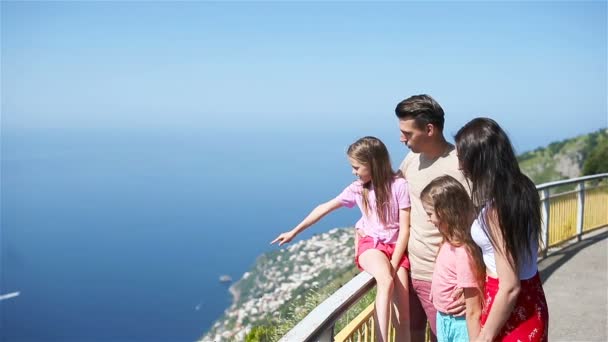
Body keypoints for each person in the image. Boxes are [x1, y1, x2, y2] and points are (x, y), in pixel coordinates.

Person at [271, 136, 411, 342]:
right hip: (372, 246)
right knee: (386, 279)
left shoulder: (399, 186)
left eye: (356, 167)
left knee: (405, 315)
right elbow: (324, 207)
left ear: (372, 164)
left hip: (396, 247)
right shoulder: (357, 189)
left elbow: (405, 229)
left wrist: (394, 261)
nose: (353, 172)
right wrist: (295, 231)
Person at [455, 117, 549, 342]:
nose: (460, 166)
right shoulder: (524, 188)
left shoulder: (496, 211)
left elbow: (509, 287)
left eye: (463, 158)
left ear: (479, 160)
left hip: (508, 309)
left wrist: (484, 336)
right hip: (532, 299)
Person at [395, 94, 469, 341]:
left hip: (444, 278)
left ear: (429, 129)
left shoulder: (460, 167)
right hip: (410, 269)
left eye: (407, 133)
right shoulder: (412, 159)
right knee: (411, 334)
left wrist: (470, 283)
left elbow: (477, 226)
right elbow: (393, 193)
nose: (401, 138)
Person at [421, 175, 485, 341]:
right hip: (445, 319)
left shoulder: (462, 252)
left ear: (444, 213)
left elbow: (473, 310)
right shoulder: (448, 242)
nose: (429, 219)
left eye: (430, 214)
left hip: (460, 324)